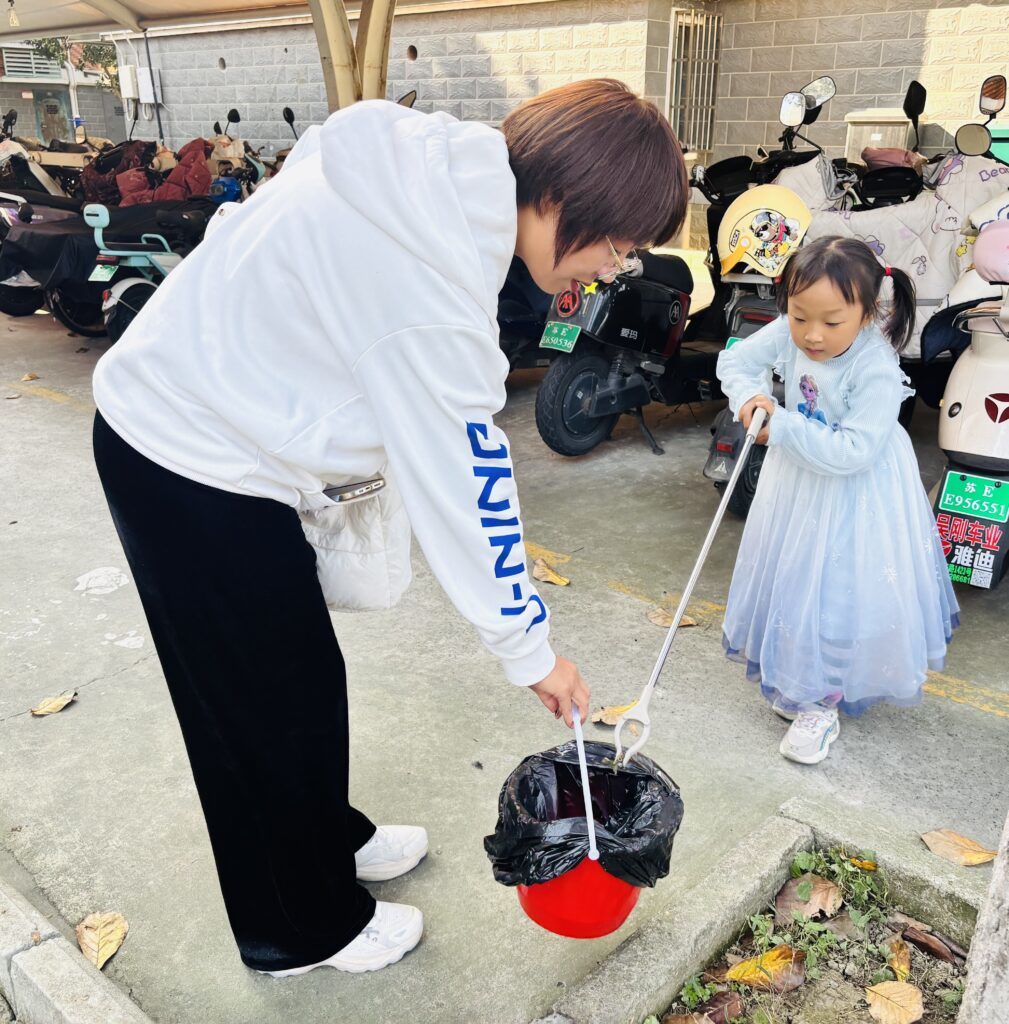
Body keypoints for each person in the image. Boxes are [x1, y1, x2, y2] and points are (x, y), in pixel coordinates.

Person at [91, 79, 687, 976]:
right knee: (253, 703)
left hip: (223, 431)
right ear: (562, 195)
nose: (613, 268)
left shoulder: (423, 170)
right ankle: (297, 929)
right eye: (618, 242)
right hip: (184, 455)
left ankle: (319, 838)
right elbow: (468, 482)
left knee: (298, 678)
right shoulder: (428, 281)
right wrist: (530, 652)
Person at [716, 236, 958, 766]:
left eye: (831, 322)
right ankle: (804, 680)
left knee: (838, 587)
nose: (811, 335)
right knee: (797, 576)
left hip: (857, 491)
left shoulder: (874, 367)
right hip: (798, 481)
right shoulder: (793, 330)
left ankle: (821, 703)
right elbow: (736, 360)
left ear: (868, 313)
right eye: (799, 316)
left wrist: (782, 425)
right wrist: (751, 397)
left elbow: (853, 451)